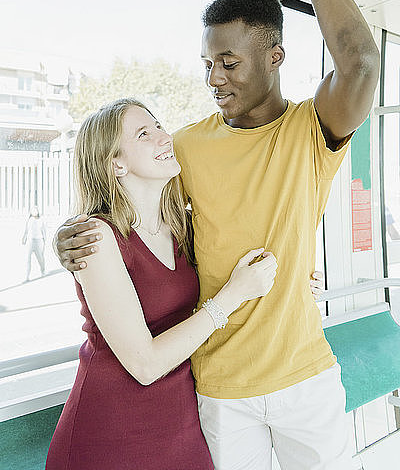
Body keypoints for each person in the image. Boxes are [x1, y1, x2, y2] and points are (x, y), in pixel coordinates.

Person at [54, 0, 380, 469]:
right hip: (219, 388)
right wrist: (71, 231)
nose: (214, 78)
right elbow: (126, 193)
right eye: (207, 64)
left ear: (275, 57)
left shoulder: (312, 129)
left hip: (305, 377)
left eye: (229, 63)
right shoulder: (184, 147)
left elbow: (361, 61)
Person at [45, 97, 278, 470]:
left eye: (158, 126)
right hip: (110, 436)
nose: (164, 137)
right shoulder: (96, 236)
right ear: (115, 163)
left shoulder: (184, 226)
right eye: (144, 134)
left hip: (180, 426)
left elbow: (248, 269)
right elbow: (145, 364)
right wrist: (232, 296)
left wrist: (299, 285)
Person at [22, 205, 46, 281]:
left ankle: (43, 271)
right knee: (27, 258)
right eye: (33, 210)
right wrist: (24, 238)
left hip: (39, 241)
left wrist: (44, 241)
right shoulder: (29, 219)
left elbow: (44, 231)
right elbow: (26, 230)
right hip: (30, 241)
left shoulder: (41, 219)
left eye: (36, 210)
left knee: (40, 258)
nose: (34, 212)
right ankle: (27, 276)